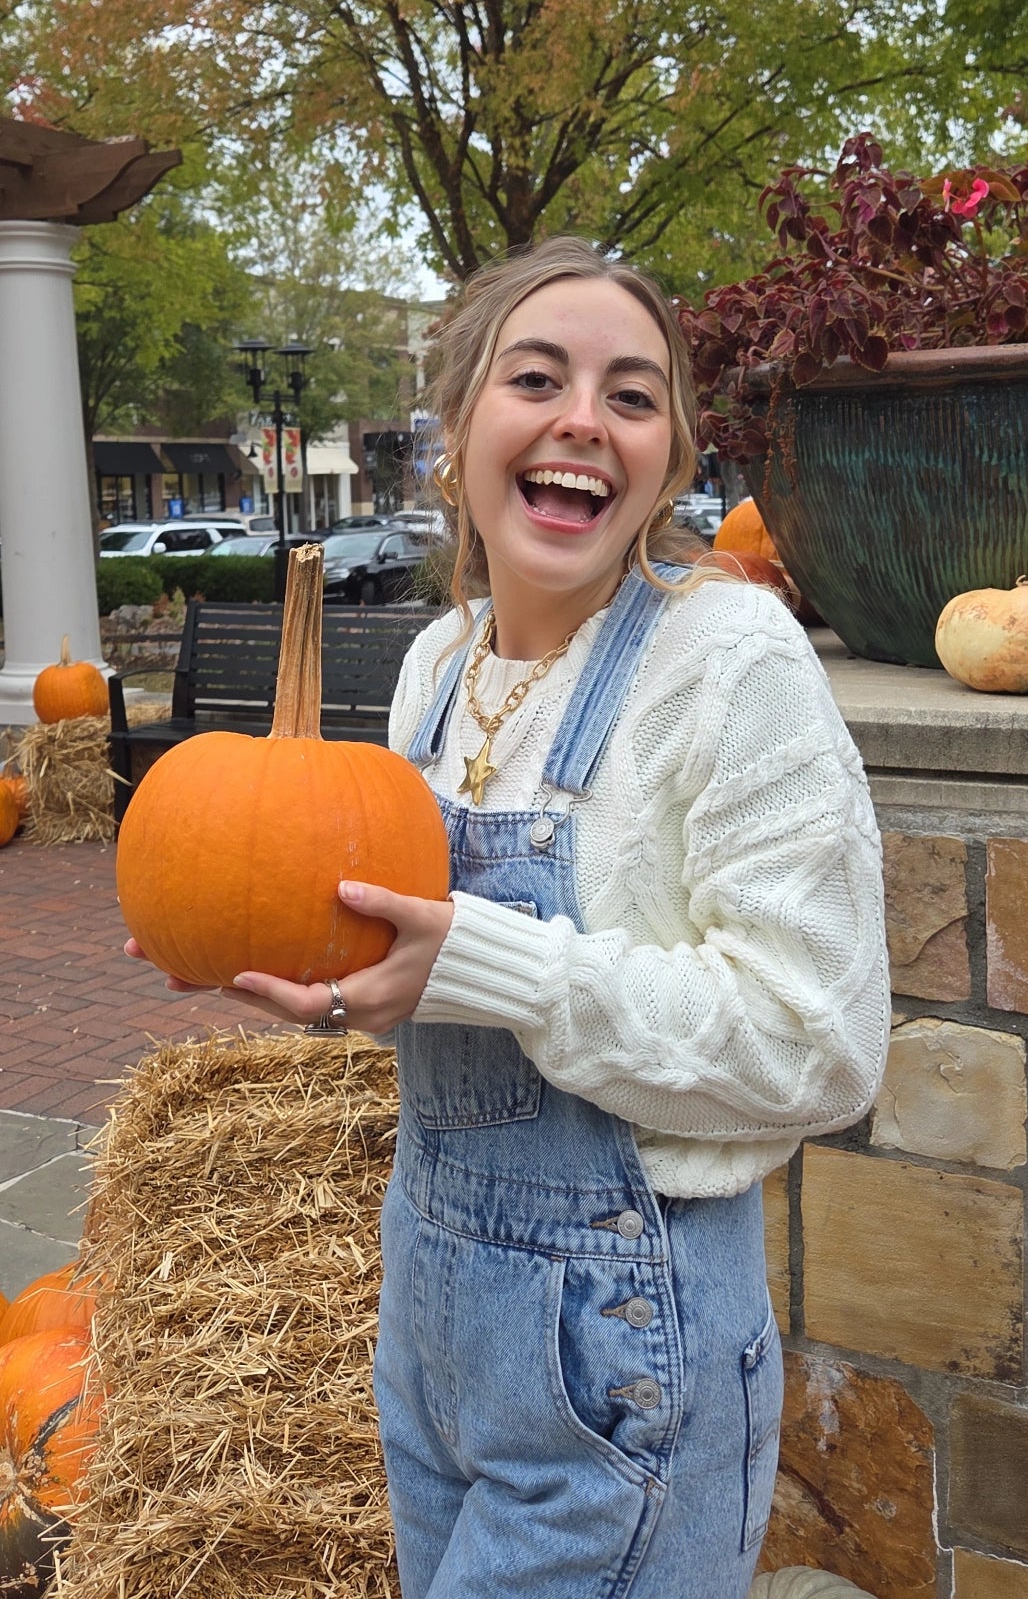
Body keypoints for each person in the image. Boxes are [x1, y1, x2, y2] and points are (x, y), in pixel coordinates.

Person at [129, 236, 890, 1599]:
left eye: (632, 396)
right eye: (537, 379)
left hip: (625, 1359)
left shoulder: (732, 664)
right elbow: (433, 1002)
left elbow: (819, 1044)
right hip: (433, 1336)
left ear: (668, 455)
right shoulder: (436, 668)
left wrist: (491, 966)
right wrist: (317, 972)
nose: (583, 419)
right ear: (459, 427)